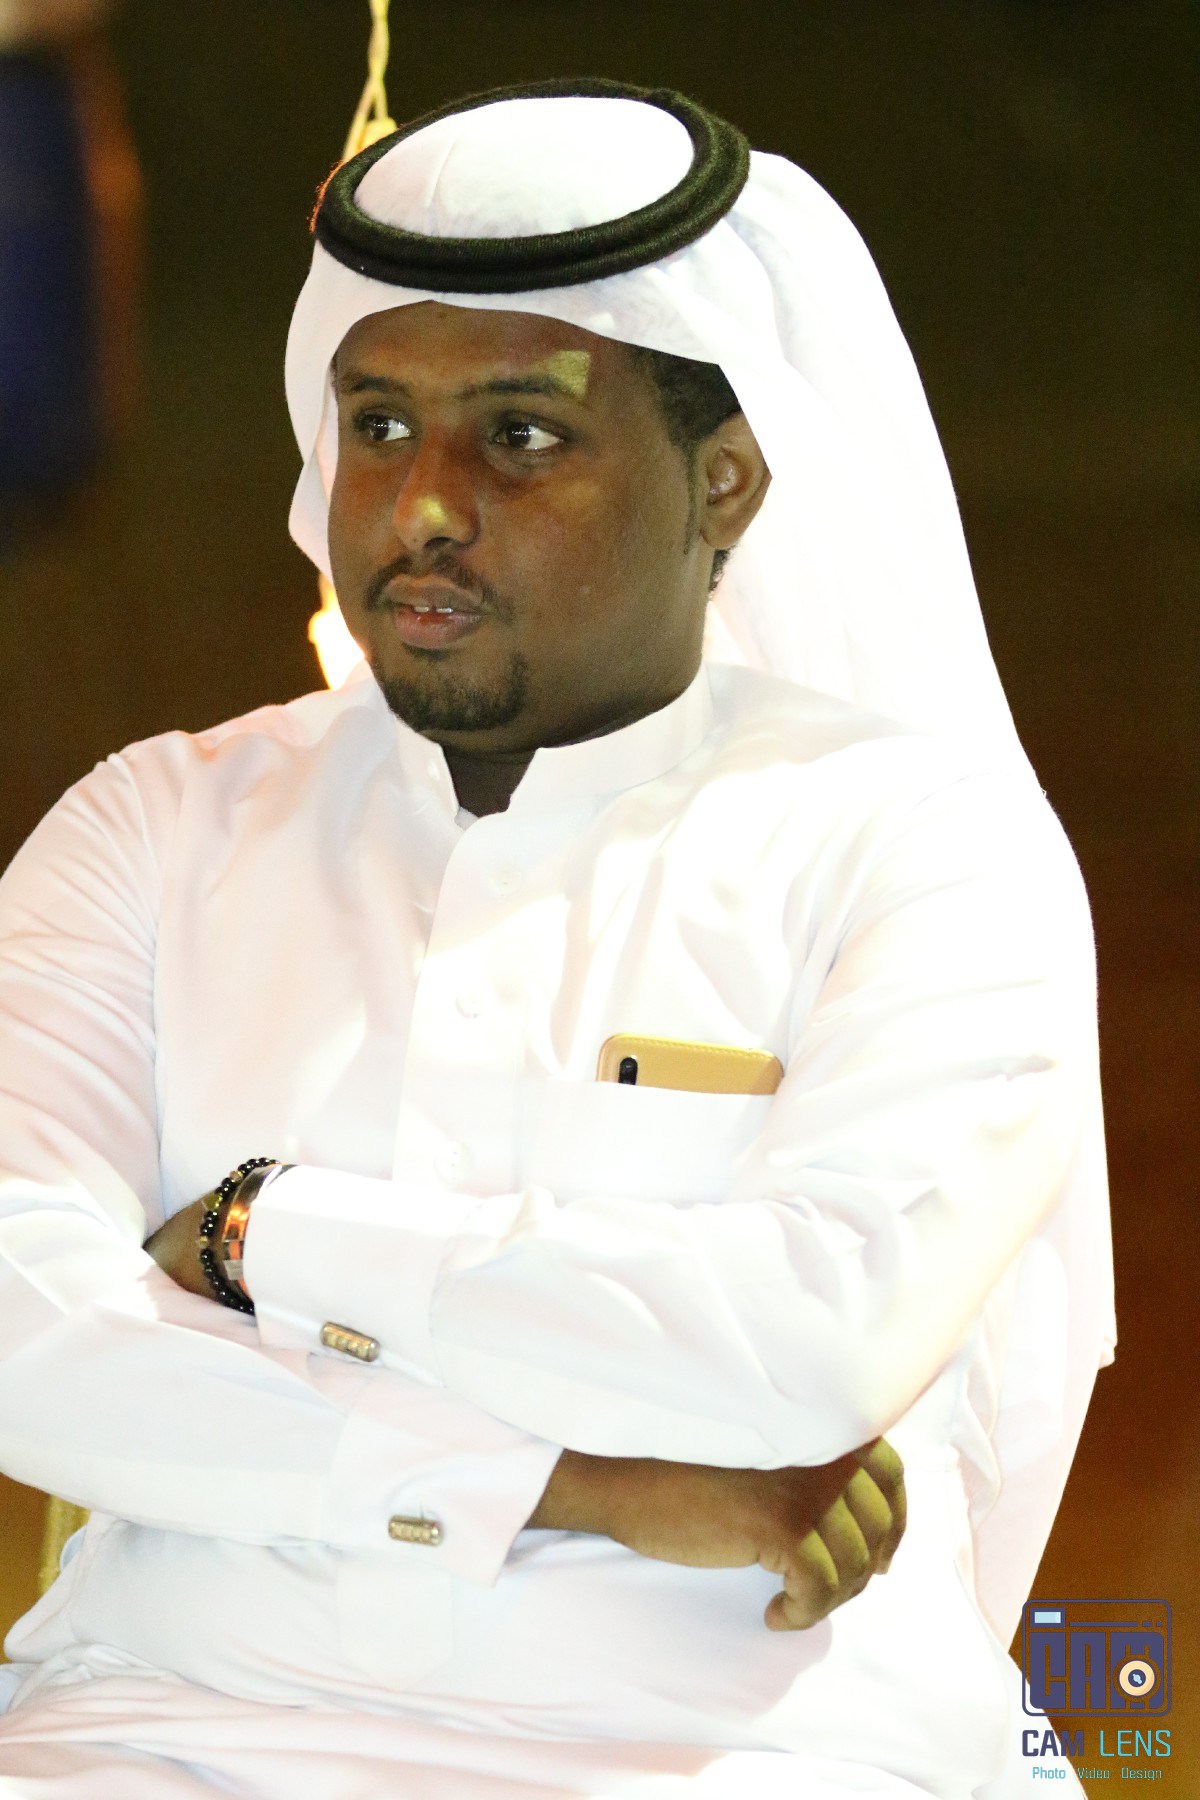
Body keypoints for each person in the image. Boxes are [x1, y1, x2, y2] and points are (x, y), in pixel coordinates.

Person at [0, 78, 1114, 1799]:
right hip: (162, 1723)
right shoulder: (154, 828)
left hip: (750, 1750)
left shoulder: (922, 842)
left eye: (521, 437)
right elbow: (26, 1339)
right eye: (380, 425)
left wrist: (269, 1234)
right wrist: (577, 1484)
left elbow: (815, 1344)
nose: (424, 506)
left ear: (725, 483)